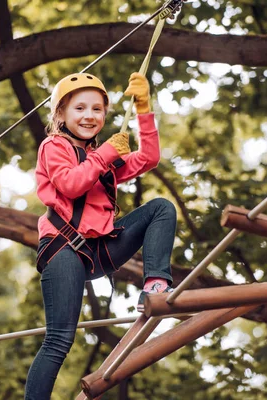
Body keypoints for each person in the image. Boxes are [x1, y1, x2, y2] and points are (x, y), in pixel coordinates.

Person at [24, 71, 176, 399]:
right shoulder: (54, 147)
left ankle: (155, 285)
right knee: (59, 340)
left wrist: (143, 109)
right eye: (79, 108)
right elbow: (70, 184)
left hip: (100, 248)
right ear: (60, 115)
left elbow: (149, 157)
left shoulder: (104, 156)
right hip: (64, 249)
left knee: (161, 208)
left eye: (97, 109)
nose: (90, 116)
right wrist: (105, 155)